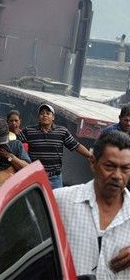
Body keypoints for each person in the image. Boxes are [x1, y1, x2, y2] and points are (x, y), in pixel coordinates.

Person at [54, 130, 130, 279]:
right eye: (109, 166)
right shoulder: (61, 201)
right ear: (93, 163)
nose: (117, 176)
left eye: (125, 168)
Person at [18, 104, 92, 189]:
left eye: (48, 113)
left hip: (54, 178)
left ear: (53, 117)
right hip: (34, 176)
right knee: (35, 201)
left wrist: (90, 156)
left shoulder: (62, 131)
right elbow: (16, 144)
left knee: (56, 200)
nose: (45, 115)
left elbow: (76, 146)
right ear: (39, 117)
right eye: (42, 113)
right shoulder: (28, 131)